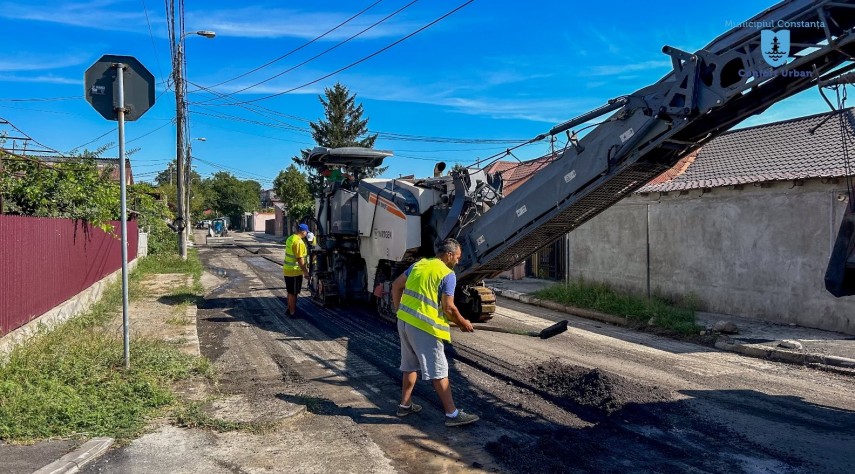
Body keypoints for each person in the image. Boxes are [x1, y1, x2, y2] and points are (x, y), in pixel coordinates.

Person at [391, 238, 480, 427]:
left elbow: (396, 285)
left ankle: (404, 405)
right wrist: (464, 323)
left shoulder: (419, 265)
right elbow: (449, 308)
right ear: (449, 255)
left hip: (405, 322)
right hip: (424, 328)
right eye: (457, 257)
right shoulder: (447, 274)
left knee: (409, 366)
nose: (457, 261)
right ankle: (452, 414)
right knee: (439, 370)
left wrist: (400, 311)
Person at [283, 223, 310, 318]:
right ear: (303, 232)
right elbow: (299, 258)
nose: (307, 234)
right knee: (293, 293)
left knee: (290, 292)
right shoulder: (298, 242)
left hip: (288, 270)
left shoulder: (290, 238)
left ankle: (288, 309)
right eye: (306, 232)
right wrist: (305, 272)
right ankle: (293, 313)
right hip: (294, 271)